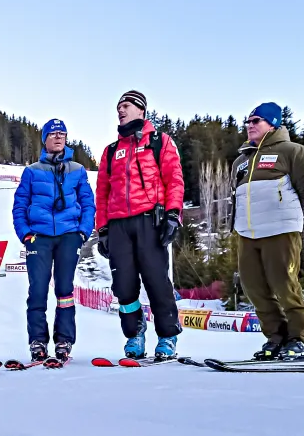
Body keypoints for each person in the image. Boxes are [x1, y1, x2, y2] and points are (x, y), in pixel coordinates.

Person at [95, 91, 184, 359]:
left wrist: (172, 215)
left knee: (157, 280)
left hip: (150, 221)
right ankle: (134, 333)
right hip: (119, 224)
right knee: (123, 285)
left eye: (126, 106)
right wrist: (103, 229)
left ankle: (167, 335)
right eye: (118, 107)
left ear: (141, 111)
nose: (120, 110)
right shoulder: (111, 151)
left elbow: (174, 179)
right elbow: (102, 192)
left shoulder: (160, 142)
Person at [231, 102, 304, 360]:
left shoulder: (293, 152)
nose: (249, 125)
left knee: (285, 285)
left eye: (256, 121)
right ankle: (277, 337)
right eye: (247, 121)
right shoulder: (241, 160)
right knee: (254, 288)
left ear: (273, 124)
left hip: (281, 229)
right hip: (248, 232)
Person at [12, 118, 95, 362]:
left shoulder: (78, 170)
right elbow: (20, 205)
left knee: (65, 289)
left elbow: (88, 203)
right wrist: (25, 234)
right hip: (39, 237)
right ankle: (37, 341)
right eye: (53, 133)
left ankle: (64, 341)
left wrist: (83, 231)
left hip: (69, 236)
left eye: (62, 133)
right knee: (37, 290)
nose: (58, 137)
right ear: (45, 139)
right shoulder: (32, 171)